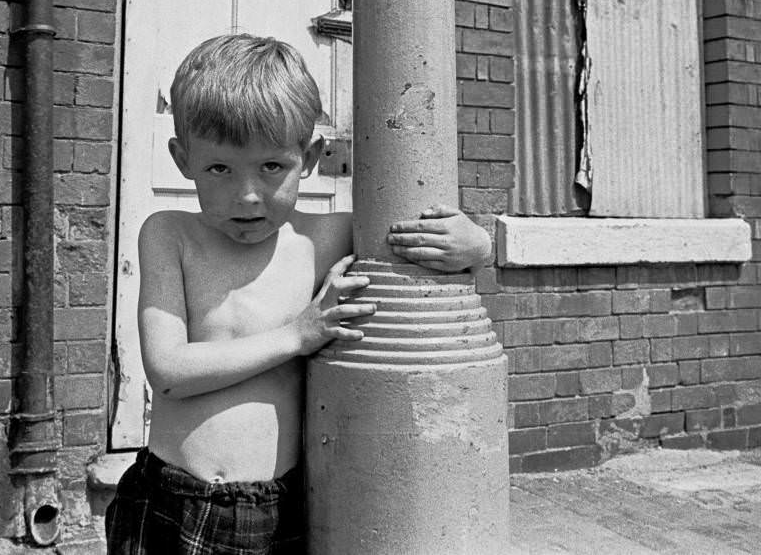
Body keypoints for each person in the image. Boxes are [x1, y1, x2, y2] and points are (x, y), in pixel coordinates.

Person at [105, 34, 490, 554]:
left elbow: (421, 237)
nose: (247, 195)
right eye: (219, 168)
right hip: (173, 499)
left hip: (281, 507)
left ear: (307, 157)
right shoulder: (169, 234)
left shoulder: (324, 237)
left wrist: (479, 244)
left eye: (272, 167)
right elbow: (169, 372)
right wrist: (298, 334)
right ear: (182, 159)